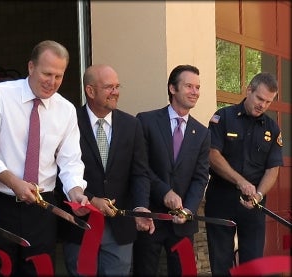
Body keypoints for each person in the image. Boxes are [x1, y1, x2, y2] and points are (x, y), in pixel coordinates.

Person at [0, 40, 90, 276]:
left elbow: (70, 161)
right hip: (0, 204)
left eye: (59, 76)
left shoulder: (66, 110)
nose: (52, 82)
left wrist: (76, 191)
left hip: (42, 209)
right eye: (47, 73)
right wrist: (13, 182)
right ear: (31, 67)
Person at [60, 64, 154, 276]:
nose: (116, 92)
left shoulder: (132, 125)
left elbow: (140, 173)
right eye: (109, 87)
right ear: (90, 91)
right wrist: (91, 199)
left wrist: (140, 207)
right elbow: (60, 171)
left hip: (119, 227)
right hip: (81, 225)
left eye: (117, 86)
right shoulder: (69, 122)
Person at [133, 64, 211, 275]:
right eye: (189, 86)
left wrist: (189, 209)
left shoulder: (202, 133)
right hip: (151, 217)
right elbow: (140, 166)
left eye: (197, 87)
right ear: (172, 88)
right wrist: (164, 191)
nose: (195, 92)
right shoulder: (146, 121)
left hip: (183, 223)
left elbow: (201, 177)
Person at [204, 72, 283, 275]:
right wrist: (240, 181)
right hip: (221, 199)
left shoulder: (272, 128)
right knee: (221, 261)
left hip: (253, 204)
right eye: (259, 98)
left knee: (252, 263)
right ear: (249, 90)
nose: (263, 105)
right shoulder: (223, 117)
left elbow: (272, 168)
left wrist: (258, 194)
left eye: (268, 102)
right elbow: (212, 154)